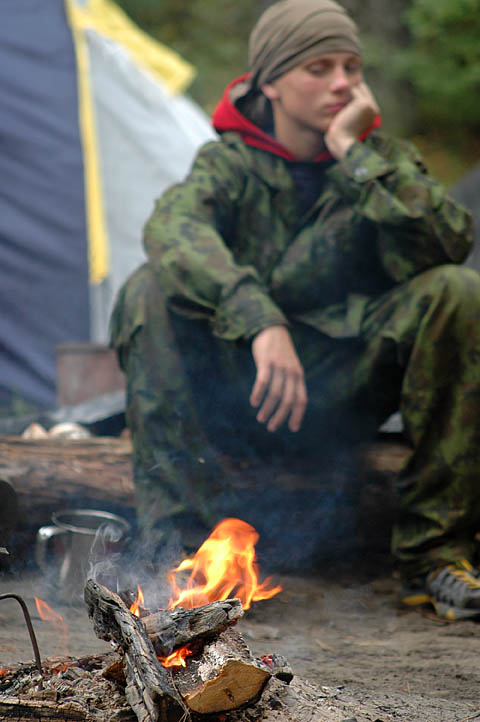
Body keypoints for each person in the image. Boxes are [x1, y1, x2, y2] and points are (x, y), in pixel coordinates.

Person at [110, 0, 480, 620]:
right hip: (243, 397)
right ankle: (189, 563)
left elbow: (450, 242)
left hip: (346, 392)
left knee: (458, 291)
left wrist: (353, 153)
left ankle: (435, 556)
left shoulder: (379, 165)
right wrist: (259, 317)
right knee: (149, 287)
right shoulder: (229, 165)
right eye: (319, 67)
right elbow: (172, 230)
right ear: (271, 82)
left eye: (351, 67)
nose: (342, 82)